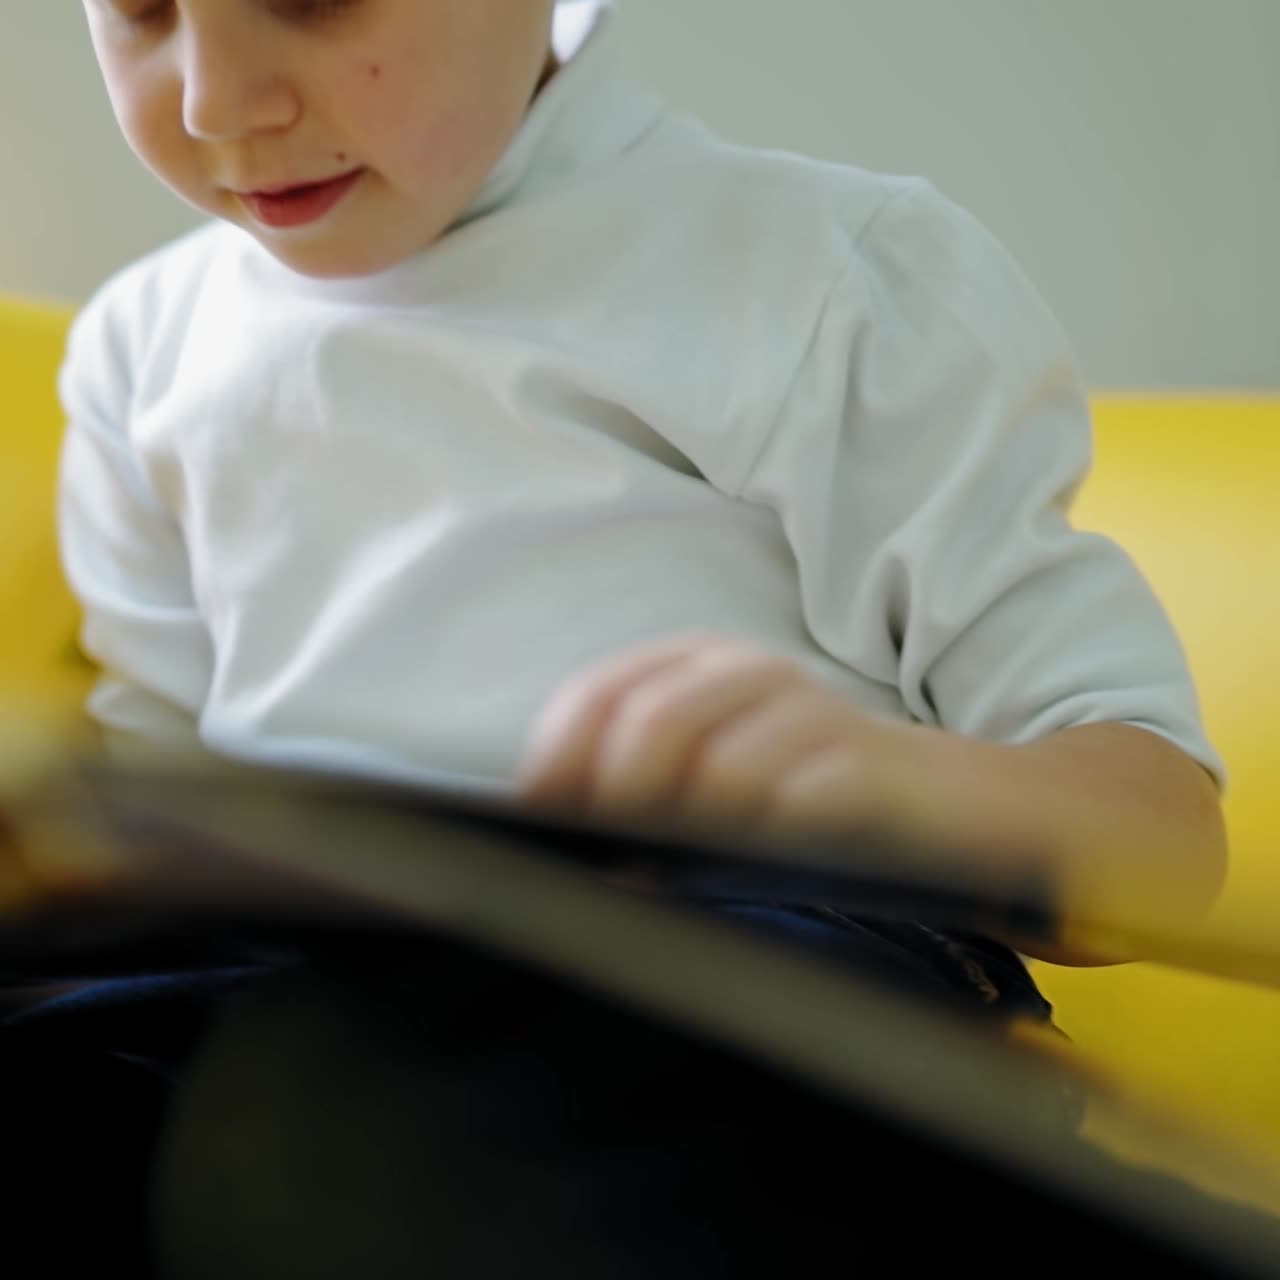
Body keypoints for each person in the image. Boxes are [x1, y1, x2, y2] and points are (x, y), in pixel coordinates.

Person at [9, 0, 1233, 1272]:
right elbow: (150, 826)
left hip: (730, 944)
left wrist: (894, 788)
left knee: (357, 1128)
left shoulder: (825, 266)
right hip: (294, 974)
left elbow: (1160, 843)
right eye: (143, 9)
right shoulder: (137, 353)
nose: (215, 101)